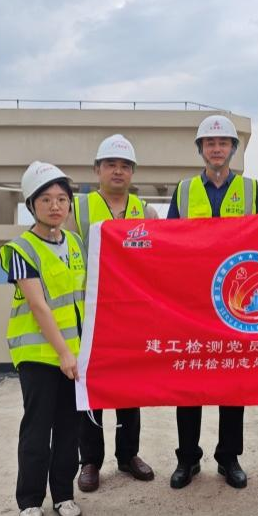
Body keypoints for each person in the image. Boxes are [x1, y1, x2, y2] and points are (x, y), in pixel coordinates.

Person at [166, 114, 258, 489]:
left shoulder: (250, 190)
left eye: (224, 142)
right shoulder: (184, 191)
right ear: (201, 149)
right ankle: (187, 458)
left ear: (233, 149)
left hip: (234, 302)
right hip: (191, 302)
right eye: (210, 143)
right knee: (189, 379)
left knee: (232, 381)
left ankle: (229, 457)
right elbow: (167, 244)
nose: (217, 148)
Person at [0, 161, 84, 516]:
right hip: (38, 355)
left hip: (73, 355)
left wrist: (76, 352)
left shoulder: (75, 243)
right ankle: (30, 499)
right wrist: (63, 353)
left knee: (69, 429)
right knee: (37, 428)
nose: (55, 206)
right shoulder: (21, 249)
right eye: (45, 199)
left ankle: (63, 494)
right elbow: (38, 306)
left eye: (62, 198)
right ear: (31, 204)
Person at [71, 134, 156, 492]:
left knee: (129, 387)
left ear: (132, 172)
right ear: (97, 170)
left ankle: (128, 455)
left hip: (131, 315)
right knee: (90, 386)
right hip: (90, 313)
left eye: (124, 166)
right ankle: (90, 460)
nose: (118, 171)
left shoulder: (146, 212)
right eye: (111, 165)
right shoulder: (77, 209)